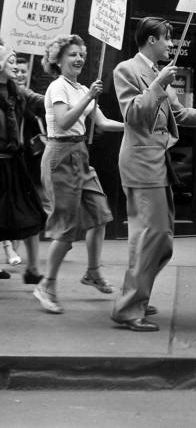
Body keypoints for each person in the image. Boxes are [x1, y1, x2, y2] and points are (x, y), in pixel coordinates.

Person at [111, 17, 196, 332]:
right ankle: (129, 308)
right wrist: (158, 83)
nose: (172, 45)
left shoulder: (157, 75)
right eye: (166, 39)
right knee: (152, 236)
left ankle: (137, 298)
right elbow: (133, 115)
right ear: (150, 40)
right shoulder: (127, 70)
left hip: (157, 165)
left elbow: (180, 114)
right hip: (140, 164)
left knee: (160, 239)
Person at [33, 34, 124, 314]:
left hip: (80, 154)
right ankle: (46, 285)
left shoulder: (82, 88)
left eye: (81, 54)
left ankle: (93, 272)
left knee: (100, 216)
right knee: (66, 229)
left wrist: (134, 127)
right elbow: (63, 121)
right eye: (72, 54)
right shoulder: (58, 88)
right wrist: (88, 96)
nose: (79, 59)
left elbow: (104, 123)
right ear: (58, 60)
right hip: (60, 156)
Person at [0, 41, 46, 282]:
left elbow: (42, 101)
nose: (16, 65)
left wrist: (70, 97)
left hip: (14, 165)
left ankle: (33, 269)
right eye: (10, 60)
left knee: (32, 214)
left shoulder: (18, 91)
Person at [2, 56, 31, 266]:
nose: (18, 71)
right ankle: (9, 248)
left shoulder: (19, 94)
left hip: (16, 158)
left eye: (22, 70)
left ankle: (14, 248)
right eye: (12, 64)